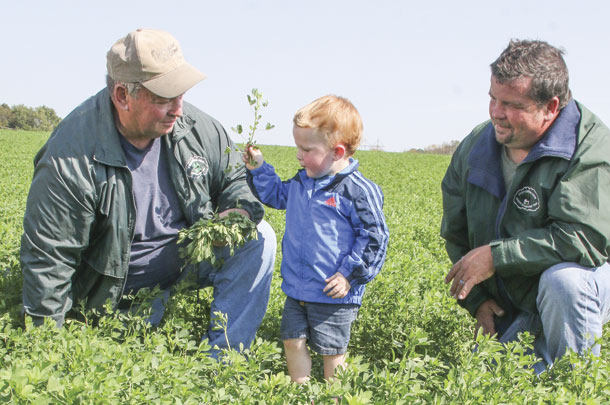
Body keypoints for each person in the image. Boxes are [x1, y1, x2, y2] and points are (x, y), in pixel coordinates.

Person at [20, 28, 276, 354]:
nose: (178, 109)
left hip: (183, 265)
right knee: (122, 356)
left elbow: (235, 180)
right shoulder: (69, 158)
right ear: (123, 96)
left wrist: (238, 211)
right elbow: (48, 261)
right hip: (112, 291)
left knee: (260, 237)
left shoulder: (198, 129)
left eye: (180, 93)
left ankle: (224, 361)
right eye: (163, 98)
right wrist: (45, 354)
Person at [441, 39, 610, 374]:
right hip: (516, 296)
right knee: (493, 382)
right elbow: (456, 234)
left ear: (551, 106)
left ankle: (575, 380)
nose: (496, 113)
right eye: (493, 98)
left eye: (512, 104)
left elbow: (583, 240)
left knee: (564, 283)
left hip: (585, 278)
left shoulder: (588, 148)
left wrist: (496, 256)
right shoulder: (476, 147)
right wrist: (478, 303)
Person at [243, 95, 389, 382]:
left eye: (306, 149)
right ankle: (301, 395)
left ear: (336, 151)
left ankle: (335, 398)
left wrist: (348, 275)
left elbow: (375, 237)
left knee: (332, 353)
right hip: (297, 289)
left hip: (333, 292)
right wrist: (258, 168)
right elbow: (276, 195)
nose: (299, 155)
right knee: (291, 341)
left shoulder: (356, 190)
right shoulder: (301, 182)